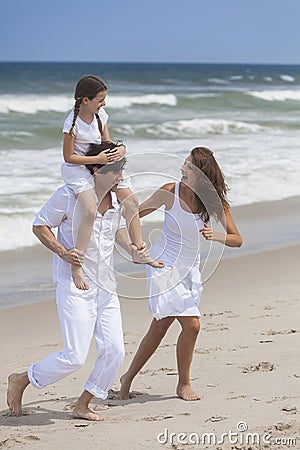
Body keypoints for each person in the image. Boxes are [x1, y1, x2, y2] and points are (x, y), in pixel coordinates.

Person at [6, 142, 151, 420]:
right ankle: (22, 379)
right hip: (74, 283)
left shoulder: (118, 200)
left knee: (115, 352)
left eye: (122, 171)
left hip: (106, 284)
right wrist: (64, 253)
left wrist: (133, 250)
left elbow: (117, 231)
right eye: (115, 172)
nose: (120, 178)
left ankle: (83, 403)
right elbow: (39, 225)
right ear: (96, 170)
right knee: (74, 356)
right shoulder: (70, 196)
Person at [119, 146, 243, 401]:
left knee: (160, 327)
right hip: (164, 267)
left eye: (188, 167)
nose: (182, 169)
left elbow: (237, 239)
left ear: (201, 173)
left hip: (189, 270)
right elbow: (134, 213)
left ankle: (127, 377)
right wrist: (133, 242)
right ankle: (183, 384)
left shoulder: (214, 203)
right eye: (184, 165)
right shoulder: (169, 192)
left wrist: (216, 235)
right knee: (193, 325)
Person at [62, 75, 162, 291]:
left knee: (132, 202)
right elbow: (68, 157)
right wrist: (97, 160)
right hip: (80, 168)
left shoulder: (101, 115)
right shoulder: (72, 123)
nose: (104, 103)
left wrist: (121, 149)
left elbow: (106, 142)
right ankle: (76, 264)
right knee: (90, 211)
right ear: (85, 100)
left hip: (102, 164)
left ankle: (138, 251)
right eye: (100, 100)